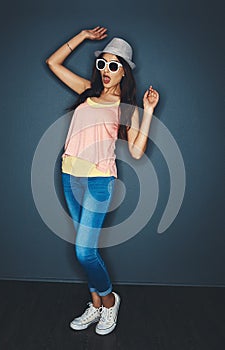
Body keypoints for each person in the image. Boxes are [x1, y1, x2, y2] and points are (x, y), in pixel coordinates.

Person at [46, 26, 159, 336]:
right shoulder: (86, 91)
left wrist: (148, 111)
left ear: (124, 72)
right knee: (86, 248)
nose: (106, 70)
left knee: (84, 251)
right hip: (70, 177)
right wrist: (82, 37)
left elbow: (136, 151)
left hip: (98, 181)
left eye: (113, 65)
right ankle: (95, 304)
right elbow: (53, 64)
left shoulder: (126, 109)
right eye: (102, 63)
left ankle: (109, 301)